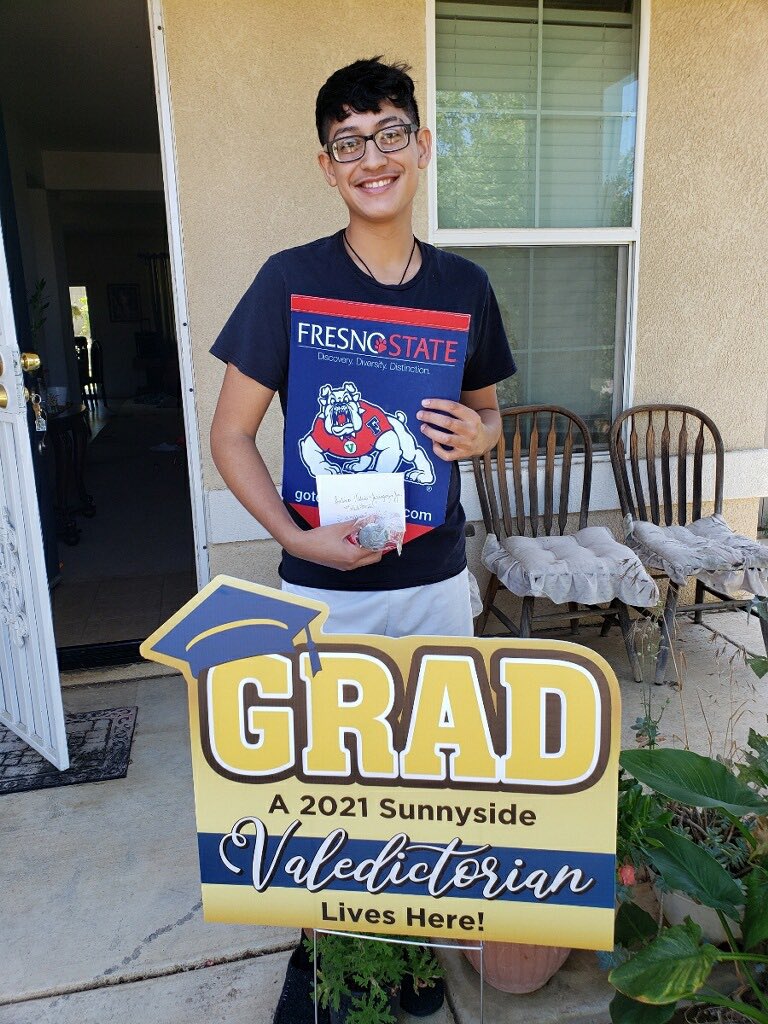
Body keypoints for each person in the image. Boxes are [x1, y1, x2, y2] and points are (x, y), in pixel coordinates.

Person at [210, 56, 515, 1024]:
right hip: (325, 586)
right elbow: (230, 434)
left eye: (390, 133)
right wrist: (301, 534)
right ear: (326, 163)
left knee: (425, 775)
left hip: (432, 579)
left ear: (421, 146)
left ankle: (412, 945)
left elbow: (489, 418)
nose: (371, 156)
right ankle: (327, 954)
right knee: (329, 783)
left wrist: (483, 435)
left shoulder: (464, 285)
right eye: (349, 142)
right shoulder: (290, 280)